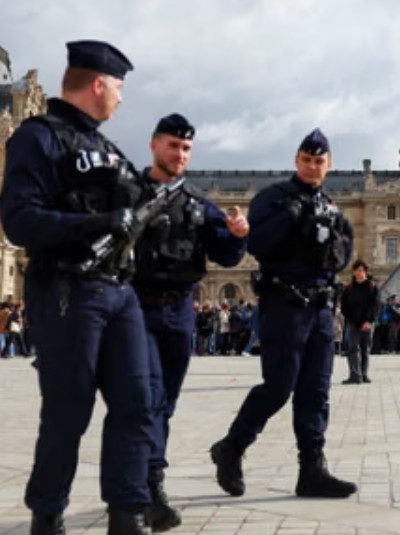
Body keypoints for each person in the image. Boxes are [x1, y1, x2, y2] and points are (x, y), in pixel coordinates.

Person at [0, 40, 153, 534]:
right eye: (119, 88)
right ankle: (47, 512)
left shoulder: (108, 148)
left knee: (138, 401)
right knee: (69, 409)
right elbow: (19, 221)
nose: (122, 100)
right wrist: (98, 223)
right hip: (68, 287)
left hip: (118, 290)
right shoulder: (38, 137)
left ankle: (127, 512)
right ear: (98, 84)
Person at [209, 129, 356, 500]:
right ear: (297, 160)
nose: (312, 166)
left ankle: (312, 469)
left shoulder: (333, 209)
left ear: (329, 164)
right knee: (278, 386)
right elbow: (255, 243)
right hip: (284, 304)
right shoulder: (273, 198)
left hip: (321, 308)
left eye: (319, 161)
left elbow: (343, 254)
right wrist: (293, 217)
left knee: (316, 391)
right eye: (306, 160)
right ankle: (232, 447)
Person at [132, 113, 248, 531]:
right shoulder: (129, 194)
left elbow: (228, 256)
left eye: (185, 148)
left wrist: (237, 234)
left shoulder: (199, 203)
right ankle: (148, 487)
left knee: (165, 401)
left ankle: (146, 482)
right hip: (136, 307)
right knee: (147, 397)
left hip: (180, 308)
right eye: (172, 146)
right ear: (154, 145)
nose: (179, 154)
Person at [340, 259, 379, 384]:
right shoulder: (349, 288)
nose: (358, 273)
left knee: (365, 349)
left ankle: (363, 374)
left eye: (361, 271)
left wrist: (368, 320)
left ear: (365, 272)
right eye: (356, 271)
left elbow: (375, 306)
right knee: (352, 349)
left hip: (367, 323)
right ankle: (355, 375)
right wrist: (351, 319)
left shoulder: (372, 288)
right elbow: (344, 306)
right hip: (353, 323)